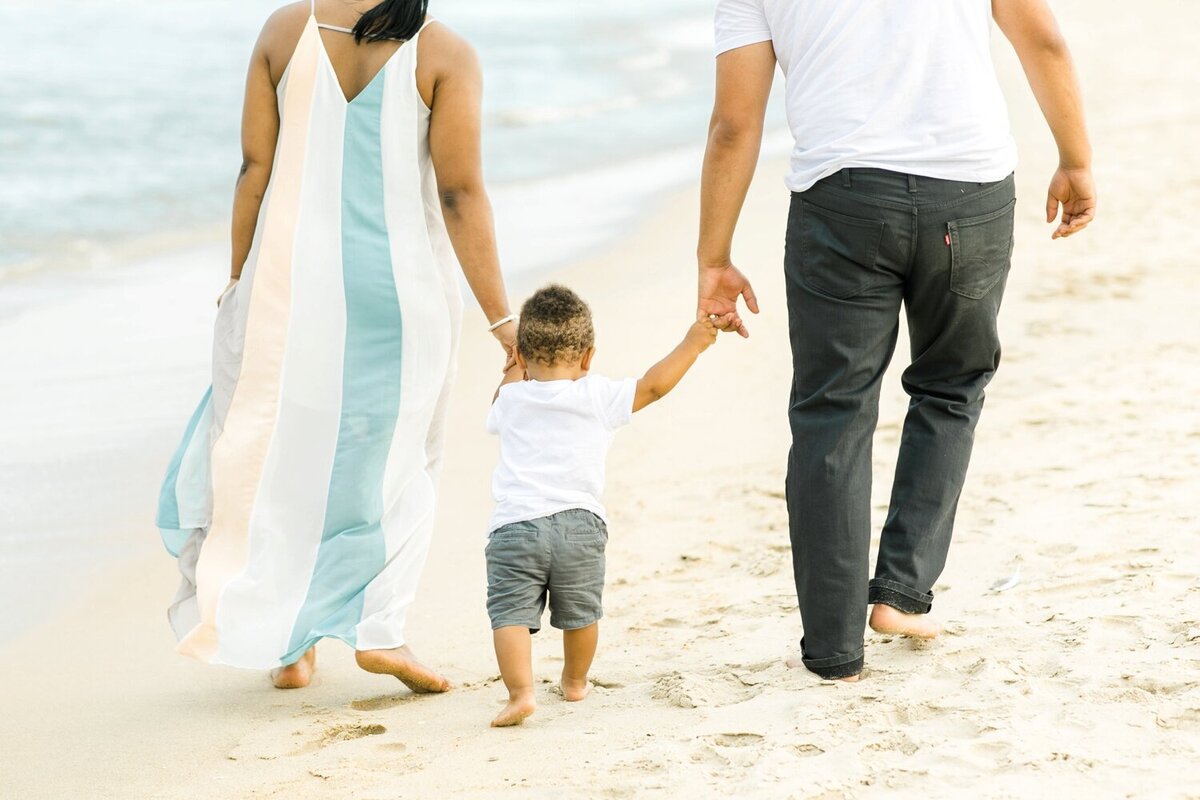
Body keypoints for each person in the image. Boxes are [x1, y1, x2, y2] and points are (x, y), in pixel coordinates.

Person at [697, 0, 1097, 680]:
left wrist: (714, 255)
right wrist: (1076, 159)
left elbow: (736, 122)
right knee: (951, 384)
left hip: (840, 202)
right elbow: (1046, 44)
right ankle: (902, 591)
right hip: (968, 190)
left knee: (832, 411)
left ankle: (832, 650)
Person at [156, 0, 516, 691]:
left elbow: (253, 170)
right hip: (402, 300)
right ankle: (380, 630)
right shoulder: (445, 53)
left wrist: (237, 278)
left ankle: (288, 646)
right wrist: (503, 322)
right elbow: (461, 193)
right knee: (399, 463)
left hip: (286, 290)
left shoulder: (285, 31)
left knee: (281, 454)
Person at [484, 285, 717, 726]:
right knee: (580, 614)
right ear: (589, 358)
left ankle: (521, 693)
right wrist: (694, 342)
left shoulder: (511, 398)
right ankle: (574, 683)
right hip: (579, 525)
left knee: (510, 615)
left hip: (514, 528)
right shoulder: (596, 395)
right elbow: (654, 385)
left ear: (523, 354)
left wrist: (514, 367)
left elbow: (503, 396)